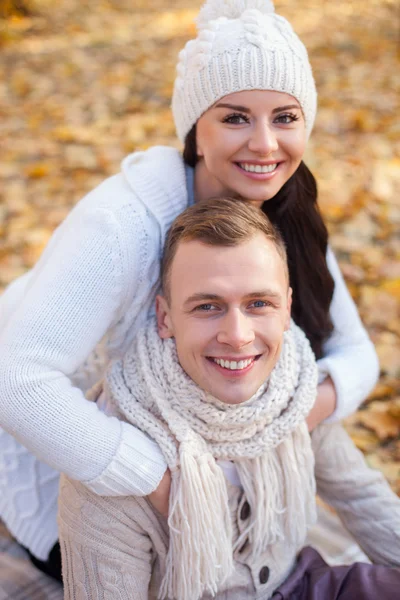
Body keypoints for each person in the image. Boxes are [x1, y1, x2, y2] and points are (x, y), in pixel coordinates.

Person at [0, 0, 378, 580]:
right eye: (234, 118)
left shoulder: (287, 210)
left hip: (208, 458)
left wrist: (283, 425)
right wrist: (159, 480)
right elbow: (15, 379)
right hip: (80, 466)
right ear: (194, 131)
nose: (264, 144)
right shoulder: (121, 223)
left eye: (284, 117)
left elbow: (355, 357)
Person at [58, 198, 400, 600]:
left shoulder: (291, 388)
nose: (237, 336)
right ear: (166, 318)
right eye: (208, 306)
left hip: (302, 585)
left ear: (287, 308)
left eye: (259, 304)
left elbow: (363, 498)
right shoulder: (117, 456)